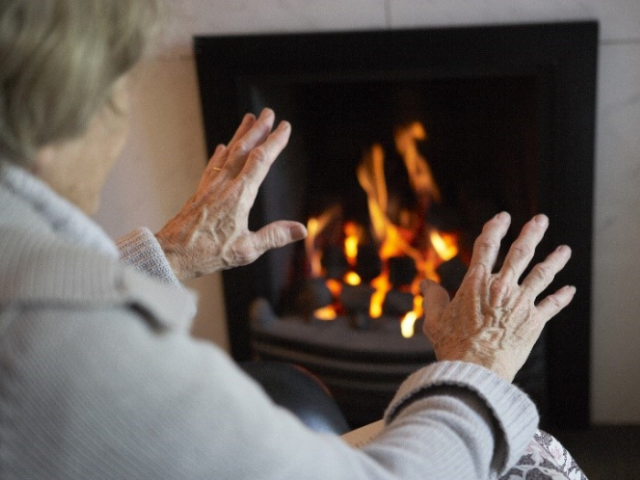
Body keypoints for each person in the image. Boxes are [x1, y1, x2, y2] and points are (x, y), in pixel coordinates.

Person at [0, 0, 586, 479]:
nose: (122, 120)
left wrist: (167, 256)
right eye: (116, 93)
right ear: (53, 126)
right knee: (532, 453)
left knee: (284, 387)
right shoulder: (70, 346)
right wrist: (478, 367)